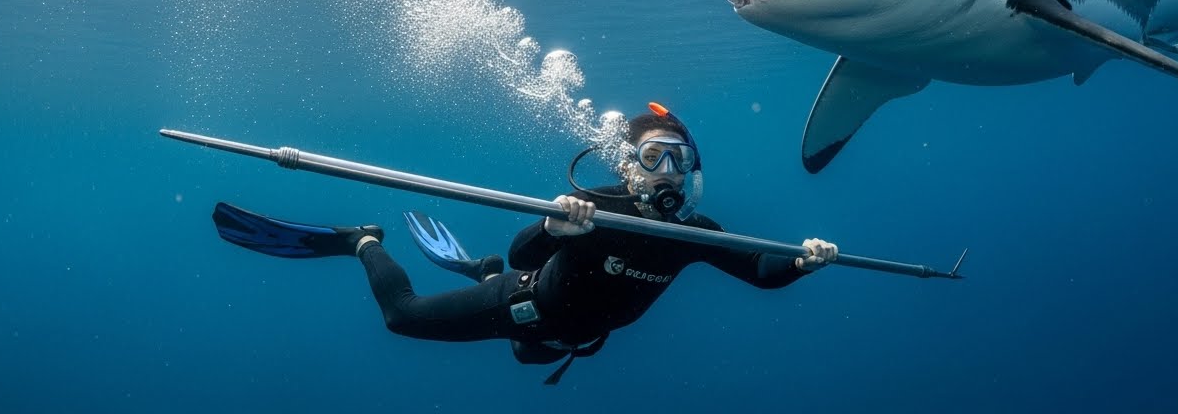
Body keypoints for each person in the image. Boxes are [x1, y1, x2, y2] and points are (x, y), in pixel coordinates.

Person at [214, 103, 839, 383]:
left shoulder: (693, 234)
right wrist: (553, 226)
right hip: (523, 302)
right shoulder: (596, 207)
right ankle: (363, 241)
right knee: (402, 319)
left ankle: (477, 273)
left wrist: (803, 263)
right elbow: (524, 256)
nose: (668, 174)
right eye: (654, 158)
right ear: (629, 166)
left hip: (569, 339)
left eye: (680, 162)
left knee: (528, 359)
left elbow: (760, 272)